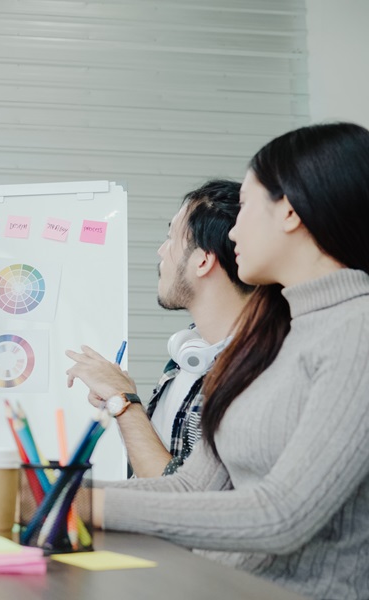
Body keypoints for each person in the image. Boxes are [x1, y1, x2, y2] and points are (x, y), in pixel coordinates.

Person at [92, 122, 369, 600]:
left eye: (246, 204)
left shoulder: (357, 330)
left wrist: (87, 508)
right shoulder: (271, 333)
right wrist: (53, 495)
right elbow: (192, 487)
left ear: (289, 211)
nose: (234, 229)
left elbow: (281, 515)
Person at [65, 180, 253, 477]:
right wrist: (122, 399)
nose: (160, 252)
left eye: (170, 239)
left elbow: (182, 493)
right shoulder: (187, 355)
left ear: (203, 260)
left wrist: (123, 401)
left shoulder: (249, 374)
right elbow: (153, 471)